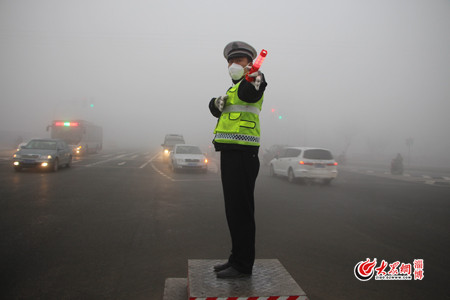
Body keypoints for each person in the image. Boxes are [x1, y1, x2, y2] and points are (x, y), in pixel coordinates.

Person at [208, 41, 267, 279]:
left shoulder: (255, 79)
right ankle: (235, 258)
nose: (233, 64)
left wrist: (250, 74)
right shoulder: (233, 88)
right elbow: (220, 110)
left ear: (249, 63)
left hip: (244, 153)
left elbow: (248, 94)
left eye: (239, 61)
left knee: (241, 211)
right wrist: (214, 102)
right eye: (230, 61)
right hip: (231, 151)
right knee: (233, 210)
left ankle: (243, 265)